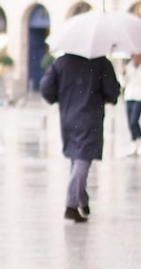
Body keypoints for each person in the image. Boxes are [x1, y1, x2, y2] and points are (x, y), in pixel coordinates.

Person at [40, 53, 120, 223]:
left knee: (77, 160)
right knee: (83, 159)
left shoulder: (61, 62)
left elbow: (46, 89)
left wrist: (60, 96)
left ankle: (82, 201)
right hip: (90, 118)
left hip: (68, 117)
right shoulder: (101, 63)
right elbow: (112, 91)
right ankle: (71, 205)